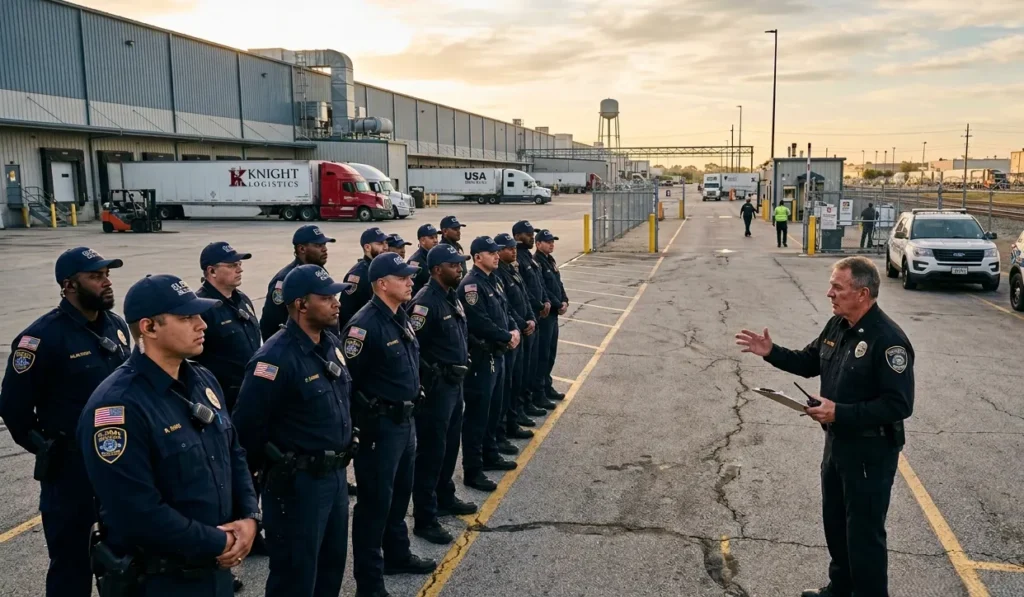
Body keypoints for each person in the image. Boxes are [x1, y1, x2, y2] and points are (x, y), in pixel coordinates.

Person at [735, 256, 914, 597]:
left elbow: (899, 404)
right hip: (837, 445)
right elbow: (808, 361)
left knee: (864, 535)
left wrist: (841, 413)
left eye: (837, 287)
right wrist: (771, 352)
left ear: (862, 293)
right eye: (831, 285)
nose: (829, 293)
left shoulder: (888, 340)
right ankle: (840, 588)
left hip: (870, 452)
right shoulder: (838, 325)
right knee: (836, 524)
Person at [78, 274, 259, 596]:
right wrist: (222, 540)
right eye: (186, 317)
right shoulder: (117, 407)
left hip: (215, 570)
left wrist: (249, 517)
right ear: (149, 328)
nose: (202, 324)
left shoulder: (202, 380)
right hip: (161, 581)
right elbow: (135, 510)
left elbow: (234, 453)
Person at [0, 247, 129, 597]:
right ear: (68, 285)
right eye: (96, 276)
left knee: (124, 561)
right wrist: (50, 447)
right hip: (70, 474)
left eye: (107, 274)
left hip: (118, 465)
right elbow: (14, 409)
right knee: (72, 565)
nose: (106, 282)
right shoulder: (39, 339)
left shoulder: (116, 328)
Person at [232, 265, 356, 597]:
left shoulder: (329, 342)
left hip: (334, 478)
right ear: (301, 304)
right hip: (297, 487)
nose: (337, 302)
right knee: (295, 577)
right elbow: (246, 430)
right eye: (326, 297)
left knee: (330, 569)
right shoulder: (273, 360)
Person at [344, 253, 437, 597]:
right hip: (379, 430)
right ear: (382, 284)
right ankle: (369, 582)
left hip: (405, 423)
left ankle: (397, 555)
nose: (411, 281)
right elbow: (348, 385)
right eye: (403, 277)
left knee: (399, 498)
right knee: (374, 505)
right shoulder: (363, 326)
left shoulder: (400, 317)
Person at [407, 244, 478, 545]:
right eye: (453, 265)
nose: (460, 269)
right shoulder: (424, 303)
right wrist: (432, 375)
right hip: (437, 391)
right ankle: (425, 517)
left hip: (454, 386)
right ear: (437, 270)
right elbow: (413, 348)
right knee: (431, 453)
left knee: (450, 447)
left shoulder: (451, 297)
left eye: (460, 264)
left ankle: (444, 495)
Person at [459, 236, 521, 492]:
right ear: (477, 257)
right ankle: (473, 469)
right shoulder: (471, 286)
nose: (496, 256)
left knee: (494, 408)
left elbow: (505, 311)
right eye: (490, 253)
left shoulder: (493, 279)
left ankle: (490, 453)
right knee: (477, 415)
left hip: (498, 354)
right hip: (483, 358)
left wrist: (514, 328)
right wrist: (507, 336)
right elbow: (480, 322)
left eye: (497, 252)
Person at [195, 242, 261, 412]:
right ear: (212, 271)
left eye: (239, 264)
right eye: (232, 265)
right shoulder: (200, 309)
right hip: (222, 401)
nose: (239, 270)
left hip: (251, 394)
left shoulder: (243, 300)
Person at [494, 233, 538, 440]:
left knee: (518, 379)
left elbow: (524, 297)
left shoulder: (512, 270)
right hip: (511, 337)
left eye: (514, 248)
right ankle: (506, 425)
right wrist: (520, 324)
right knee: (508, 385)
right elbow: (507, 307)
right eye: (508, 248)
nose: (513, 251)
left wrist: (531, 318)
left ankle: (515, 417)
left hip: (520, 332)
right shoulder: (498, 275)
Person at [261, 225, 335, 341]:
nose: (324, 249)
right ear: (301, 249)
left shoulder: (318, 271)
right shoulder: (285, 279)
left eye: (324, 245)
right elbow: (271, 323)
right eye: (318, 245)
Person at [514, 220, 555, 415]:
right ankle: (528, 401)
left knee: (543, 357)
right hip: (529, 319)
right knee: (528, 366)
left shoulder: (529, 258)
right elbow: (523, 293)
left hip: (538, 316)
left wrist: (546, 300)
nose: (531, 236)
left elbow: (539, 284)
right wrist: (539, 306)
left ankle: (539, 393)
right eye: (527, 234)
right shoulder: (518, 261)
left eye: (532, 233)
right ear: (516, 236)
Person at [534, 229, 568, 402]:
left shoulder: (550, 260)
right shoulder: (537, 262)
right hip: (546, 316)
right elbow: (543, 288)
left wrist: (565, 300)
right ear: (538, 244)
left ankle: (547, 386)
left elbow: (558, 283)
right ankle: (539, 392)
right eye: (548, 242)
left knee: (551, 353)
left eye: (552, 241)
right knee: (543, 354)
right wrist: (557, 303)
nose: (551, 244)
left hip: (554, 313)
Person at [339, 227, 389, 330]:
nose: (385, 247)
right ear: (367, 247)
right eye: (380, 244)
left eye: (386, 243)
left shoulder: (383, 269)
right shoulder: (358, 275)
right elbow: (346, 313)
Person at [408, 224, 441, 297]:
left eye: (436, 237)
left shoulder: (436, 256)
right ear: (422, 240)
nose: (435, 241)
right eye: (431, 238)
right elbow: (411, 289)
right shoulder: (415, 262)